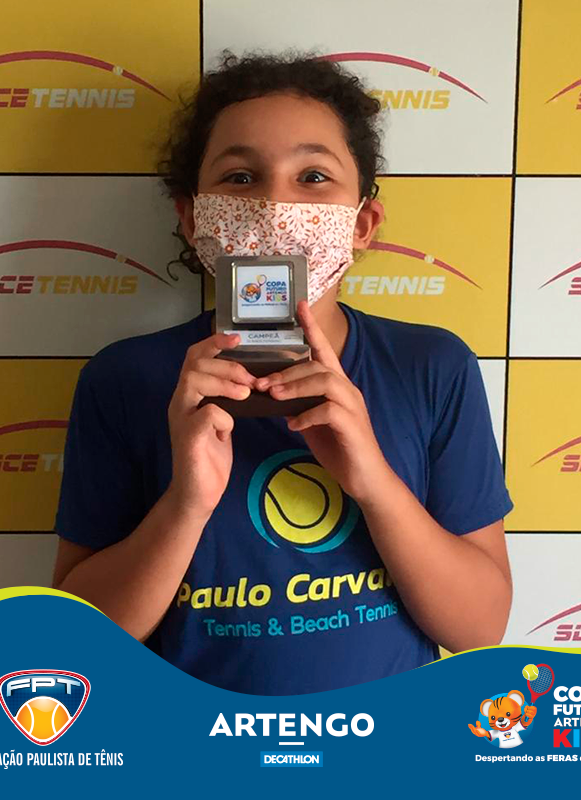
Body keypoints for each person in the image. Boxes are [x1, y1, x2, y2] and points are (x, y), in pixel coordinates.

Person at [52, 49, 514, 695]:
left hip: (387, 733)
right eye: (240, 177)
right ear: (192, 218)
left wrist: (374, 482)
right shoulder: (125, 378)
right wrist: (186, 504)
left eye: (313, 176)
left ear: (363, 223)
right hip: (188, 735)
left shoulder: (430, 366)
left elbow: (479, 629)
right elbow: (74, 643)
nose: (274, 205)